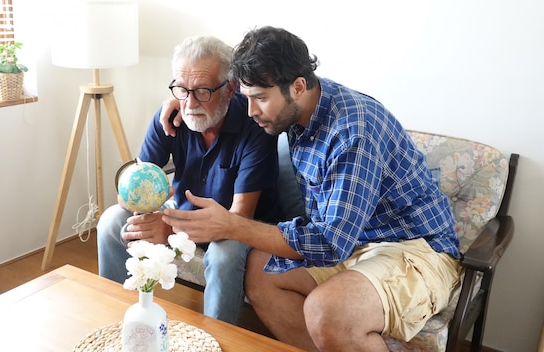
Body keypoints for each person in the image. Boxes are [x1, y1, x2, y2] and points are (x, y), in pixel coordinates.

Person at [160, 26, 462, 351]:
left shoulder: (353, 131)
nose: (251, 111)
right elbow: (227, 101)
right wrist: (184, 101)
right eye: (248, 98)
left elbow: (330, 243)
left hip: (414, 248)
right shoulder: (294, 108)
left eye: (260, 99)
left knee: (326, 309)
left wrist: (233, 225)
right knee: (260, 271)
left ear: (298, 87)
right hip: (355, 243)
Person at [96, 35, 282, 325]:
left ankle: (216, 339)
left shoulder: (254, 127)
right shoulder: (172, 115)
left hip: (240, 228)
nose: (190, 103)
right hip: (182, 215)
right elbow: (130, 190)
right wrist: (147, 211)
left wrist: (169, 230)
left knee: (225, 254)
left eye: (203, 91)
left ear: (231, 87)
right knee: (111, 221)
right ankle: (116, 325)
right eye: (181, 89)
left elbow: (238, 218)